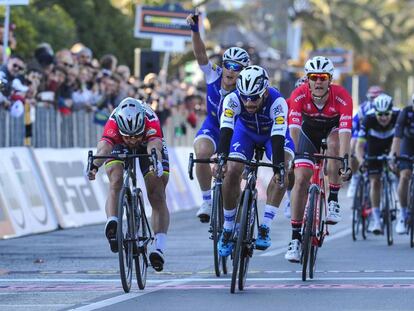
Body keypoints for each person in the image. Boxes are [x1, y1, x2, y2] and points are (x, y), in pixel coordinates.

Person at [214, 65, 295, 255]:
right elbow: (226, 131)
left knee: (284, 169)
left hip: (272, 136)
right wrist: (222, 160)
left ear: (265, 91)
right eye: (245, 97)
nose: (249, 103)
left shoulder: (278, 102)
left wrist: (279, 168)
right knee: (232, 169)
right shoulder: (232, 99)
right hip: (245, 134)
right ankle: (227, 227)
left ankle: (265, 226)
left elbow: (277, 137)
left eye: (254, 98)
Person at [87, 97, 169, 272]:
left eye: (135, 136)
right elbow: (104, 149)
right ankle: (112, 222)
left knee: (157, 193)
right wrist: (94, 166)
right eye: (128, 137)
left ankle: (159, 247)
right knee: (115, 179)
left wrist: (156, 163)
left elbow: (154, 147)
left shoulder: (150, 120)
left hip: (148, 144)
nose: (132, 140)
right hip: (118, 144)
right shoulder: (114, 122)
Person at [285, 56, 353, 263]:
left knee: (334, 146)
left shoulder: (342, 96)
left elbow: (345, 132)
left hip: (332, 131)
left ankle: (333, 200)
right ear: (307, 79)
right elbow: (294, 129)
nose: (318, 81)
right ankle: (296, 239)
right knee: (301, 179)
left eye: (323, 77)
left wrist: (345, 160)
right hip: (307, 135)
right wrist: (296, 157)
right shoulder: (298, 95)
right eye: (313, 77)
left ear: (330, 79)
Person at [186, 10, 250, 223]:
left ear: (243, 72)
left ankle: (238, 217)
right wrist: (195, 31)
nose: (230, 71)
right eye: (228, 65)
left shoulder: (246, 88)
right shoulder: (213, 73)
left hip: (236, 129)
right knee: (202, 152)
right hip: (214, 124)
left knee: (233, 173)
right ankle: (206, 200)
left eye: (237, 68)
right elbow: (200, 54)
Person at [355, 94, 399, 234]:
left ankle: (403, 206)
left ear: (391, 111)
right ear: (375, 112)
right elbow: (359, 146)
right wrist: (362, 161)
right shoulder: (368, 118)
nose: (384, 117)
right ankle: (376, 218)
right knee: (375, 182)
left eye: (387, 114)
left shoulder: (399, 115)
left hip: (393, 143)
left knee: (401, 171)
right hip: (374, 145)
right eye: (380, 114)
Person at [347, 85, 383, 197]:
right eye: (372, 98)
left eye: (377, 98)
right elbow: (354, 127)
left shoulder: (385, 108)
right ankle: (355, 178)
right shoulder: (363, 109)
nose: (374, 101)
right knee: (353, 142)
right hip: (363, 137)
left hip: (377, 138)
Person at [389, 95, 414, 234]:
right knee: (404, 176)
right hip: (408, 144)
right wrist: (394, 156)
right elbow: (397, 137)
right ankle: (403, 214)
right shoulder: (406, 112)